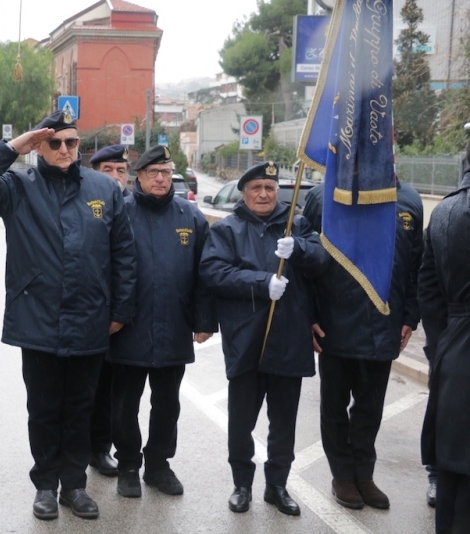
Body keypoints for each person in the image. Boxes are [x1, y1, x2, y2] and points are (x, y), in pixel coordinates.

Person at [0, 110, 137, 521]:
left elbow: (123, 255)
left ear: (80, 147)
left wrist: (120, 309)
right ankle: (45, 485)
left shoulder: (103, 190)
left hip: (91, 317)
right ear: (39, 147)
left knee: (80, 408)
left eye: (71, 143)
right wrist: (14, 146)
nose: (63, 150)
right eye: (54, 143)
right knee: (43, 408)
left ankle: (74, 486)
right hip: (37, 317)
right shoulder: (18, 187)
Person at [200, 162, 329, 516]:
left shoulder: (297, 225)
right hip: (247, 339)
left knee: (284, 421)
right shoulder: (228, 229)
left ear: (278, 192)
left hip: (289, 338)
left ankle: (277, 485)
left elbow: (322, 261)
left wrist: (299, 248)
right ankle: (242, 484)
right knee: (242, 420)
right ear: (244, 192)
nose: (263, 194)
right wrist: (261, 282)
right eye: (256, 188)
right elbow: (213, 272)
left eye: (269, 188)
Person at [303, 178, 422, 510]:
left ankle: (364, 476)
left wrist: (410, 316)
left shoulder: (408, 198)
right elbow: (306, 260)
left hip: (383, 324)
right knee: (335, 407)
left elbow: (416, 265)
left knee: (370, 409)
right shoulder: (321, 195)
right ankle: (342, 475)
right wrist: (308, 315)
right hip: (334, 324)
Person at [108, 145, 216, 499]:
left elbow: (205, 273)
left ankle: (158, 465)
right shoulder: (120, 211)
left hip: (173, 328)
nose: (160, 178)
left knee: (168, 404)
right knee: (125, 403)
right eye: (153, 172)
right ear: (137, 176)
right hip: (128, 329)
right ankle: (127, 465)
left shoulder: (190, 216)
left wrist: (204, 321)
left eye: (166, 173)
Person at [419, 145, 470, 534]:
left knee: (453, 471)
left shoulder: (444, 211)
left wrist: (443, 346)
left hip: (453, 346)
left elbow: (428, 291)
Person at [84, 143, 131, 478]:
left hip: (127, 315)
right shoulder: (89, 205)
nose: (116, 177)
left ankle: (102, 447)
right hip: (91, 311)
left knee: (117, 390)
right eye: (108, 171)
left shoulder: (138, 207)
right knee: (89, 387)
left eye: (121, 170)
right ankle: (84, 446)